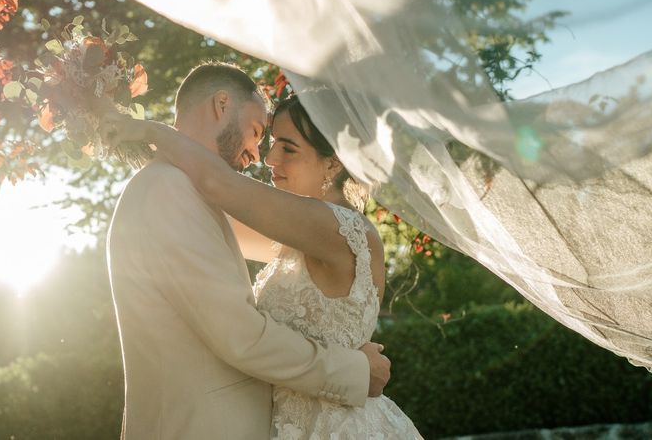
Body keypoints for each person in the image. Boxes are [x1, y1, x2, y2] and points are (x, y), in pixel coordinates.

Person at [102, 66, 422, 438]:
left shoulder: (336, 228)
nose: (266, 159)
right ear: (221, 105)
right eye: (267, 140)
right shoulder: (178, 196)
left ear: (333, 161)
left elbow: (216, 183)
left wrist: (147, 131)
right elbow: (210, 198)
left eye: (287, 148)